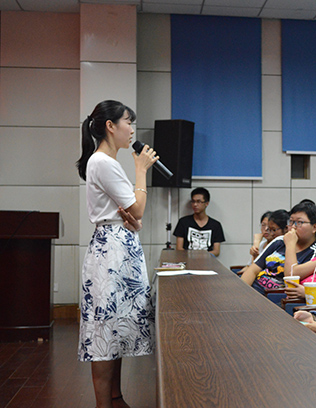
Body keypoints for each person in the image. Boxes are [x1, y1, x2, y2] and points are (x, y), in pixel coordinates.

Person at [76, 100, 156, 408]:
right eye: (128, 122)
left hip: (118, 245)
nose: (132, 129)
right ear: (110, 126)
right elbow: (138, 207)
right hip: (110, 252)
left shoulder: (106, 162)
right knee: (104, 332)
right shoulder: (103, 162)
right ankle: (105, 404)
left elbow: (130, 214)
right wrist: (141, 170)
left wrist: (133, 220)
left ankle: (115, 397)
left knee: (116, 329)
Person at [240, 201, 316, 291]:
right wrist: (241, 292)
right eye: (291, 221)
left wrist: (290, 244)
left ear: (314, 227)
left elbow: (291, 277)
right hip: (254, 289)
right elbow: (253, 270)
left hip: (275, 296)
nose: (293, 226)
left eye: (299, 222)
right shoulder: (280, 241)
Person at [173, 187, 225, 256]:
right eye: (193, 201)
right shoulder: (183, 222)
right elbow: (179, 248)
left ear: (206, 203)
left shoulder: (215, 225)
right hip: (187, 260)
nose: (195, 204)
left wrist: (201, 256)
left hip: (207, 261)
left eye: (199, 202)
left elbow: (216, 251)